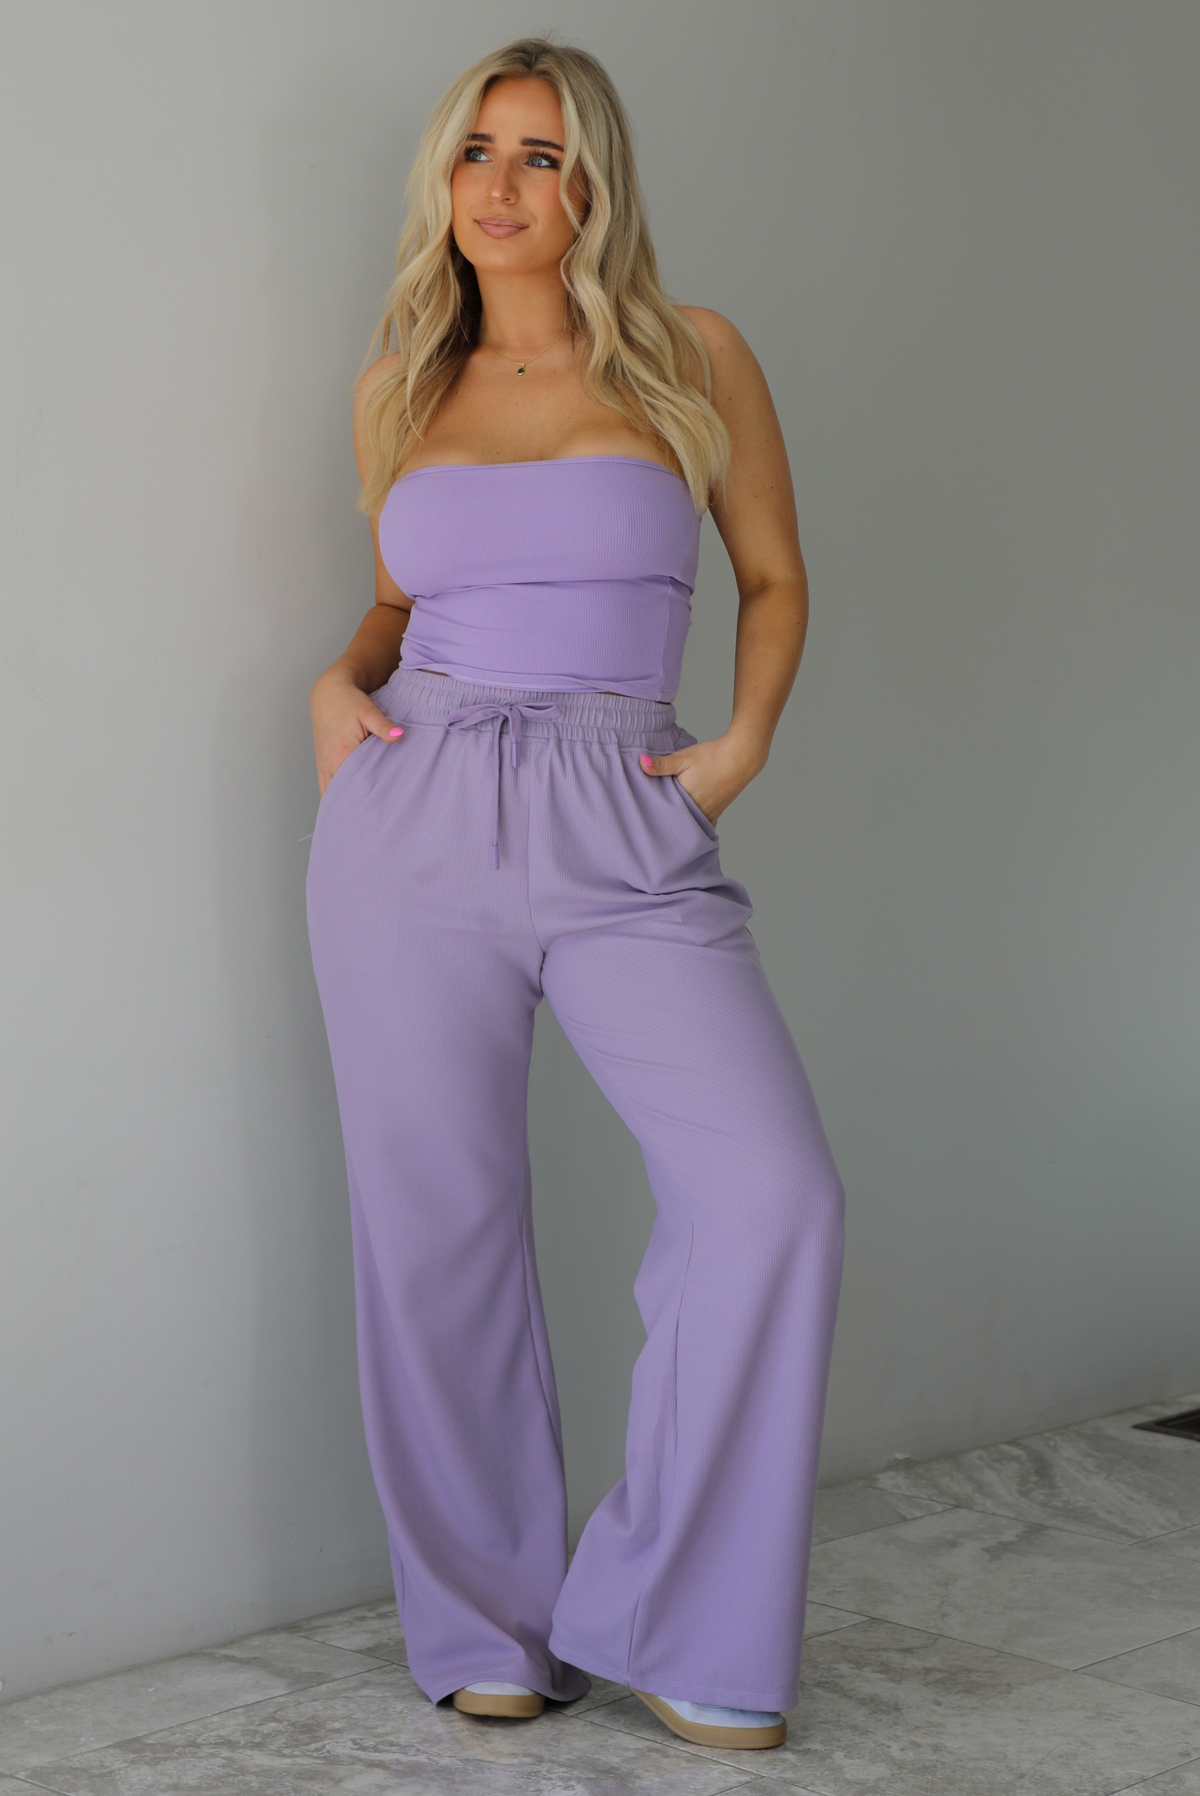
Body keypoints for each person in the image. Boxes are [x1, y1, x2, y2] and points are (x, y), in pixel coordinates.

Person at [306, 36, 845, 1755]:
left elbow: (770, 570)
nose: (499, 184)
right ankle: (489, 1623)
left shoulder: (697, 356)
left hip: (626, 817)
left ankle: (683, 1616)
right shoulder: (402, 374)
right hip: (418, 814)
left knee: (771, 1196)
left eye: (539, 155)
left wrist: (743, 742)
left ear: (593, 184)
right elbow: (399, 609)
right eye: (475, 151)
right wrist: (335, 684)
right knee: (437, 1233)